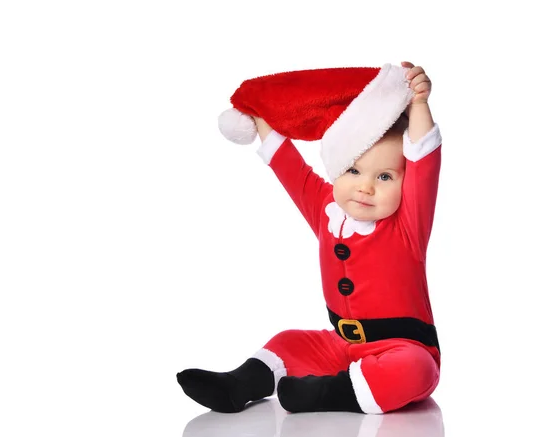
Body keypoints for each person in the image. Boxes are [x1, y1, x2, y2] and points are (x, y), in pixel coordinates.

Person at [177, 61, 443, 415]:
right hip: (340, 345)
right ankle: (240, 384)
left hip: (401, 347)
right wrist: (258, 118)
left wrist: (419, 105)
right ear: (336, 170)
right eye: (353, 170)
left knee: (416, 369)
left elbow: (424, 161)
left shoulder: (408, 223)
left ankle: (331, 393)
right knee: (289, 342)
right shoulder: (326, 210)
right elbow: (290, 168)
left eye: (384, 177)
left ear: (404, 183)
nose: (365, 186)